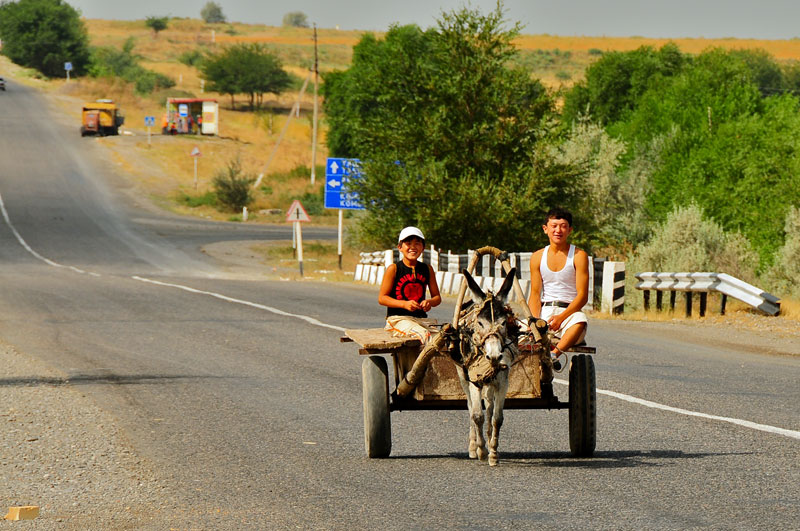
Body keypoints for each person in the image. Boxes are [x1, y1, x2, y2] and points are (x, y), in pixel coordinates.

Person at [528, 207, 589, 362]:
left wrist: (562, 317)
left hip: (569, 313)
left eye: (563, 226)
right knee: (511, 334)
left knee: (580, 321)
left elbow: (582, 296)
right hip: (545, 313)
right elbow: (535, 294)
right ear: (545, 229)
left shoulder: (579, 256)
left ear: (569, 230)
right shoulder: (537, 257)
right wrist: (534, 321)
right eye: (554, 226)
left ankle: (554, 355)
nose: (558, 230)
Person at [379, 226, 442, 342]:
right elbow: (382, 298)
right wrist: (404, 304)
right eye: (408, 243)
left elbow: (437, 298)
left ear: (423, 248)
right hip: (398, 320)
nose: (413, 247)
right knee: (423, 334)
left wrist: (429, 302)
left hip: (421, 320)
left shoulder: (427, 269)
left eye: (417, 243)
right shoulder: (394, 269)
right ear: (400, 247)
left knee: (442, 339)